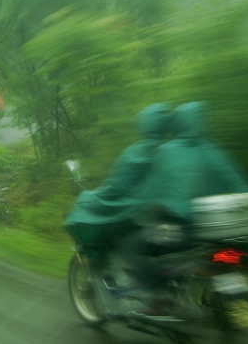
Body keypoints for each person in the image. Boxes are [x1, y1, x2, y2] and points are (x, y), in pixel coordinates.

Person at [119, 101, 248, 315]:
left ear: (178, 124)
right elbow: (240, 185)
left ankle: (161, 294)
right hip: (217, 233)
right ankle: (243, 312)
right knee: (225, 258)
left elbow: (149, 190)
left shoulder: (167, 151)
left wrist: (132, 211)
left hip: (178, 231)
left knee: (131, 245)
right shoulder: (215, 151)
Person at [63, 103, 173, 265]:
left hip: (141, 216)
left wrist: (90, 198)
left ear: (144, 125)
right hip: (169, 215)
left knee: (118, 236)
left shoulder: (137, 153)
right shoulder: (174, 150)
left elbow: (116, 187)